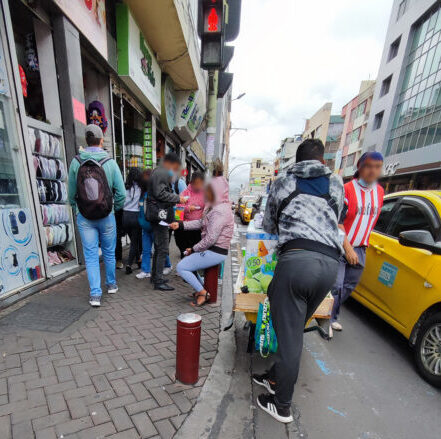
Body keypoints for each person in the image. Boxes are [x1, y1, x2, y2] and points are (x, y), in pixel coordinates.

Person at [253, 139, 344, 423]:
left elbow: (268, 225)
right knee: (292, 327)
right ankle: (275, 377)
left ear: (297, 160)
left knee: (291, 338)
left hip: (296, 261)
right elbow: (336, 218)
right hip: (329, 265)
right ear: (322, 161)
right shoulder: (337, 183)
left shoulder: (283, 181)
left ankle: (282, 406)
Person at [68, 124, 125, 307]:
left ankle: (95, 295)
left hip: (84, 216)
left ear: (86, 141)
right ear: (101, 141)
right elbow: (121, 193)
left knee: (91, 254)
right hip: (107, 215)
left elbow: (71, 191)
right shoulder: (110, 162)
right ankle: (111, 284)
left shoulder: (76, 162)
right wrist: (113, 207)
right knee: (109, 251)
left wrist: (74, 205)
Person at [330, 151, 384, 332]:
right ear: (360, 167)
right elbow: (338, 221)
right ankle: (326, 319)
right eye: (368, 166)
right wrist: (348, 248)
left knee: (349, 286)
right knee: (335, 285)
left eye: (377, 167)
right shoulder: (347, 190)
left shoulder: (380, 192)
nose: (372, 171)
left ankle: (331, 315)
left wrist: (360, 246)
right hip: (340, 246)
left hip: (361, 248)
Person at [171, 173, 234, 306]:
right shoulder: (216, 205)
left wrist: (193, 249)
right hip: (213, 249)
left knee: (182, 267)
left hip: (216, 251)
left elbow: (211, 238)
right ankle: (202, 290)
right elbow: (201, 222)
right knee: (188, 265)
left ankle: (203, 293)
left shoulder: (219, 210)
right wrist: (181, 225)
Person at [148, 153, 187, 291]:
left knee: (160, 248)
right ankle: (158, 280)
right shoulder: (161, 173)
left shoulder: (159, 172)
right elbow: (160, 194)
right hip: (160, 217)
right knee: (162, 248)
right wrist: (177, 198)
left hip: (160, 216)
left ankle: (155, 276)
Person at [136, 169, 172, 279]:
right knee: (146, 250)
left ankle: (167, 265)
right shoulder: (142, 195)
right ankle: (145, 270)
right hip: (146, 227)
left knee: (160, 249)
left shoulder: (156, 194)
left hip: (155, 226)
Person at [174, 171, 205, 258]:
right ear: (192, 182)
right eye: (196, 184)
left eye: (200, 184)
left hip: (198, 229)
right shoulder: (185, 193)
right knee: (185, 254)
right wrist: (187, 208)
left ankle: (194, 270)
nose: (198, 186)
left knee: (196, 255)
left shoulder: (205, 193)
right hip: (185, 229)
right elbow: (178, 211)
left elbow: (208, 208)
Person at [122, 168, 142, 274]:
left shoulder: (125, 187)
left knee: (132, 240)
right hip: (136, 215)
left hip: (125, 216)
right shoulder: (141, 188)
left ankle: (138, 260)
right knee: (134, 242)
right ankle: (129, 264)